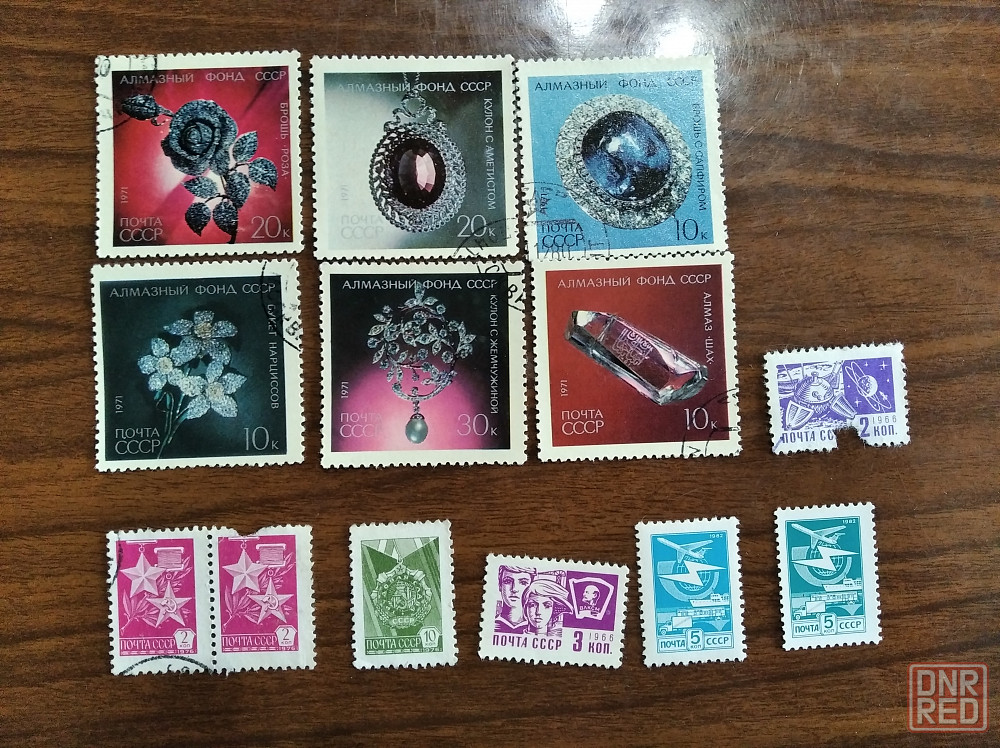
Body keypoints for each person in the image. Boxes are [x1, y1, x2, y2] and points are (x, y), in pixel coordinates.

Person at [494, 565, 533, 633]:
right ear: (500, 586)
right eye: (508, 581)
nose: (514, 589)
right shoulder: (491, 624)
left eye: (523, 582)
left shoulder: (535, 630)